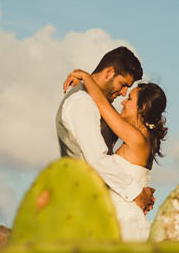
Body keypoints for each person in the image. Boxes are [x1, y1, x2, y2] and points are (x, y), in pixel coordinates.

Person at [63, 67, 169, 243]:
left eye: (130, 99)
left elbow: (103, 106)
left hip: (123, 226)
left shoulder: (136, 138)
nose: (123, 102)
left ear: (141, 107)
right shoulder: (142, 140)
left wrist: (85, 77)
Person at [55, 47, 155, 229]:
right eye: (123, 84)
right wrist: (136, 193)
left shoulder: (95, 103)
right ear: (109, 72)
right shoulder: (82, 102)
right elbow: (97, 159)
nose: (124, 93)